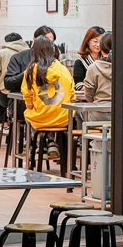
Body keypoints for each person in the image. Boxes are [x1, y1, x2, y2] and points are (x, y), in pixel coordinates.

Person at [21, 36, 75, 169]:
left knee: (28, 114)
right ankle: (53, 144)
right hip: (64, 119)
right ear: (53, 50)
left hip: (40, 119)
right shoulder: (63, 69)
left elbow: (28, 101)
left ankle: (38, 146)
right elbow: (72, 95)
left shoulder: (30, 71)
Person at [0, 32, 27, 127]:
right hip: (25, 96)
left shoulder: (2, 53)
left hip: (7, 94)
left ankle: (4, 124)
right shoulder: (29, 52)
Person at [4, 25, 55, 93]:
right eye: (44, 40)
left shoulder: (53, 59)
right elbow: (8, 83)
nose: (47, 44)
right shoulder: (19, 58)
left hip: (44, 100)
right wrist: (27, 73)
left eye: (51, 42)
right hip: (21, 100)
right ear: (34, 39)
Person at [81, 31, 114, 104]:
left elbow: (89, 95)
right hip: (122, 110)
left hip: (99, 110)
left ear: (101, 47)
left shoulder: (93, 67)